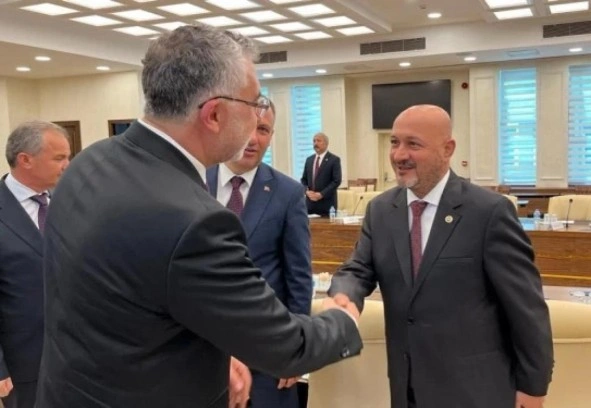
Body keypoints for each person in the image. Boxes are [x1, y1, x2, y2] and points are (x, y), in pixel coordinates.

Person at [36, 25, 361, 408]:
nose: (258, 117)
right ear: (214, 114)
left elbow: (127, 303)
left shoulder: (89, 161)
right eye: (254, 102)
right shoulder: (195, 221)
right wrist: (344, 321)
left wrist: (213, 354)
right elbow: (285, 346)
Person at [328, 105, 553, 408]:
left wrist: (533, 386)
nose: (399, 155)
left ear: (447, 149)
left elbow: (526, 308)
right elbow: (358, 269)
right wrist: (344, 295)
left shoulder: (488, 212)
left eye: (413, 144)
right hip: (407, 388)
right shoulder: (380, 210)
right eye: (395, 142)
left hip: (475, 391)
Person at [206, 100, 312, 408]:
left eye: (262, 129)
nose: (253, 138)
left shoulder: (288, 193)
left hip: (268, 356)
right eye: (245, 127)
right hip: (200, 350)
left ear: (271, 135)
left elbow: (298, 277)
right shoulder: (191, 181)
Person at [0, 121, 70, 408]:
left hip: (81, 360)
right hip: (25, 364)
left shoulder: (71, 202)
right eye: (59, 158)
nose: (67, 165)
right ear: (25, 160)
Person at [300, 132, 341, 216]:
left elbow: (336, 181)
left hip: (326, 205)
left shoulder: (334, 160)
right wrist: (306, 191)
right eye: (314, 141)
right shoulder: (309, 160)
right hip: (310, 205)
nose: (315, 143)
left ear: (326, 143)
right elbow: (304, 180)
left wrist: (321, 194)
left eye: (318, 141)